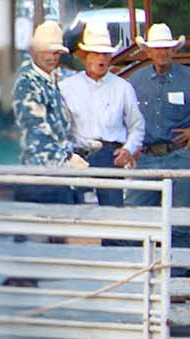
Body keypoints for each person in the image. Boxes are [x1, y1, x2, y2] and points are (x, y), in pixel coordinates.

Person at [126, 23, 190, 266]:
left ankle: (177, 280)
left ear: (173, 50)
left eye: (166, 48)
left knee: (180, 225)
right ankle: (141, 278)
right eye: (157, 48)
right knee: (137, 222)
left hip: (179, 156)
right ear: (148, 51)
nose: (161, 52)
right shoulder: (135, 82)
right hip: (145, 158)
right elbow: (121, 115)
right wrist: (130, 144)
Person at [59, 21, 145, 207]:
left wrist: (128, 149)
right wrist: (67, 154)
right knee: (76, 211)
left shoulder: (123, 87)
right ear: (85, 56)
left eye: (105, 54)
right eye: (96, 53)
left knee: (112, 212)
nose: (102, 58)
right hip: (78, 155)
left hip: (110, 155)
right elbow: (59, 127)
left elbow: (137, 126)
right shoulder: (66, 87)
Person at [12, 20, 86, 204]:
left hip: (58, 178)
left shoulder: (50, 80)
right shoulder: (27, 83)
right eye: (46, 51)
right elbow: (35, 132)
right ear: (33, 51)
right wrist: (68, 159)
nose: (52, 57)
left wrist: (83, 146)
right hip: (37, 179)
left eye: (56, 52)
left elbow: (60, 128)